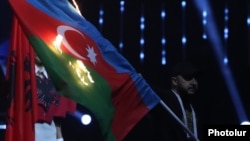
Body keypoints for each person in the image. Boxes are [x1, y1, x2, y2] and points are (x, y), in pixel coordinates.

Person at [153, 61, 201, 141]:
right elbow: (147, 88)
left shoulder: (197, 106)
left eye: (196, 78)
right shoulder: (165, 99)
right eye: (188, 77)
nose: (194, 82)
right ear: (175, 81)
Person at [35, 54, 76, 141]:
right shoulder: (23, 74)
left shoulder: (55, 78)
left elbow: (57, 115)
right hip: (29, 129)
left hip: (50, 131)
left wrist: (60, 138)